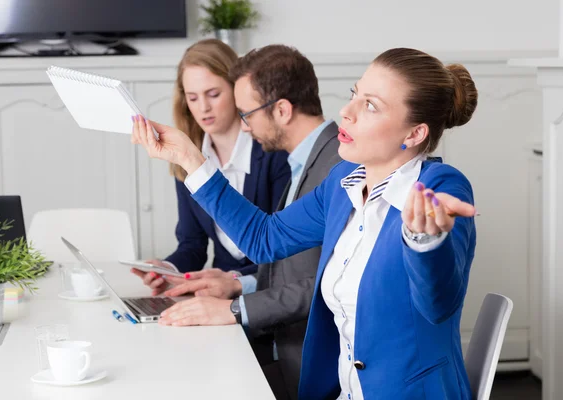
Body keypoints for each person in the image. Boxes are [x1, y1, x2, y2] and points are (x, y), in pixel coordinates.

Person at [132, 47, 478, 399]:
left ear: (414, 134)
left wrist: (425, 242)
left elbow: (438, 306)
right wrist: (190, 159)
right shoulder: (344, 180)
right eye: (354, 95)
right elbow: (264, 238)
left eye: (370, 105)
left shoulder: (441, 187)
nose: (346, 112)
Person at [158, 45, 341, 400]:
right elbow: (283, 260)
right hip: (286, 345)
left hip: (313, 363)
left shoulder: (334, 167)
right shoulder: (302, 164)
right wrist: (237, 284)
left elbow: (307, 273)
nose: (243, 125)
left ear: (283, 110)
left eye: (247, 113)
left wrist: (233, 305)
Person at [131, 39, 290, 295]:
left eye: (213, 94)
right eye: (193, 98)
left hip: (271, 296)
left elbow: (287, 251)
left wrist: (236, 280)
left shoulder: (273, 152)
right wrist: (167, 268)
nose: (203, 107)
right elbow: (192, 245)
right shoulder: (187, 155)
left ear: (237, 90)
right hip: (216, 296)